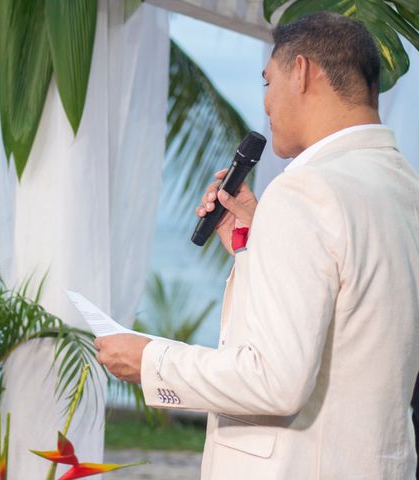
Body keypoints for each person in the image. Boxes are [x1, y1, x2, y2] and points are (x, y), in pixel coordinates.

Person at [95, 11, 419, 480]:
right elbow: (355, 322)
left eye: (267, 82)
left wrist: (151, 361)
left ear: (302, 72)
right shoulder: (404, 187)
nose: (265, 104)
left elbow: (275, 381)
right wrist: (255, 241)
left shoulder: (305, 189)